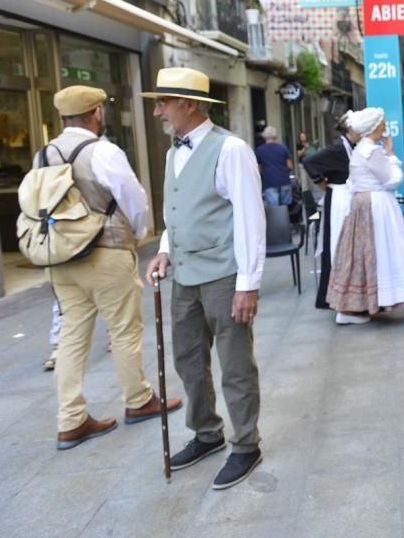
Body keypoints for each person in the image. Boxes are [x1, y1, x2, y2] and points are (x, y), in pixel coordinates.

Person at [38, 85, 181, 450]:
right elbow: (133, 199)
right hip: (106, 252)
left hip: (60, 259)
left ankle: (70, 420)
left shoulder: (44, 154)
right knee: (124, 330)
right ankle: (138, 400)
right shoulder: (103, 151)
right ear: (97, 112)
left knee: (71, 335)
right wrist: (137, 235)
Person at [143, 67, 266, 490]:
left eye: (163, 102)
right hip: (184, 274)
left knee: (234, 364)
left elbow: (251, 217)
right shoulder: (173, 152)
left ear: (188, 105)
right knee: (188, 360)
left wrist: (248, 283)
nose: (158, 111)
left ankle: (246, 444)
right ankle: (207, 433)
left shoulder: (230, 149)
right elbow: (172, 211)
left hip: (223, 275)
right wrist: (163, 249)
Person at [326, 108, 404, 325]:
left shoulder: (359, 149)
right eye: (382, 123)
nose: (385, 126)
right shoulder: (371, 151)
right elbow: (392, 180)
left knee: (363, 256)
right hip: (378, 206)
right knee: (395, 252)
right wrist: (391, 155)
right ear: (374, 127)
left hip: (362, 205)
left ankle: (352, 309)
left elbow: (354, 181)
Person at [301, 114, 359, 309]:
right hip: (338, 199)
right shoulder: (337, 148)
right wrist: (322, 184)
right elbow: (309, 162)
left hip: (344, 197)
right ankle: (331, 293)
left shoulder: (350, 147)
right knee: (335, 243)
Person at [255, 126, 293, 206]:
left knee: (275, 211)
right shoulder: (283, 148)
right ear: (275, 136)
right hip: (284, 181)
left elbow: (258, 169)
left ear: (264, 136)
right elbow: (290, 166)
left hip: (269, 183)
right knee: (287, 210)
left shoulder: (259, 150)